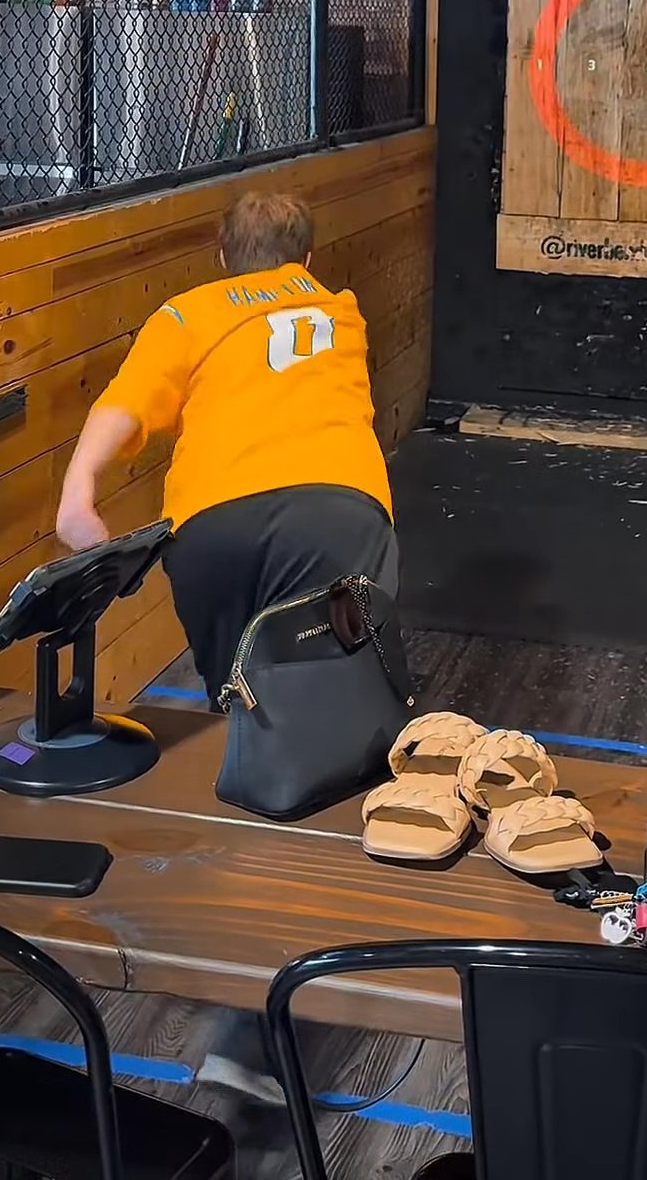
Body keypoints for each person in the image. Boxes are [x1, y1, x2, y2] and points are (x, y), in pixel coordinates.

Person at [56, 187, 399, 1104]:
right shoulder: (339, 308)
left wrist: (79, 495)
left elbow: (124, 407)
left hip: (210, 535)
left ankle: (240, 975)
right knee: (331, 754)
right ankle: (267, 1023)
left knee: (251, 739)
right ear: (306, 258)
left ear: (219, 257)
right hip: (332, 517)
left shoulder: (187, 313)